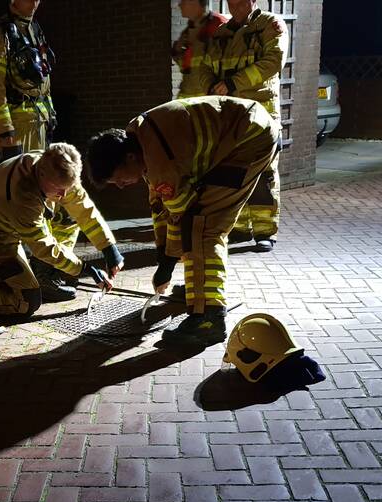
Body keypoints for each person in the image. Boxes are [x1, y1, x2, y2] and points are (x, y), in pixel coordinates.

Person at [86, 96, 279, 347]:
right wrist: (163, 256)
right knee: (194, 223)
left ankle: (209, 317)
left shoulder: (160, 161)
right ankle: (197, 290)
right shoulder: (141, 140)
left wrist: (166, 266)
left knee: (204, 227)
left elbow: (181, 215)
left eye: (118, 179)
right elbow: (161, 207)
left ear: (129, 158)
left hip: (249, 140)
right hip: (241, 131)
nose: (121, 186)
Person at [0, 143, 122, 315]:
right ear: (41, 174)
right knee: (26, 302)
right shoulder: (21, 195)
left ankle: (43, 277)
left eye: (67, 188)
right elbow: (43, 247)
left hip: (8, 223)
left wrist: (109, 249)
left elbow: (83, 209)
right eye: (58, 189)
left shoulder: (55, 168)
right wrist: (86, 268)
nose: (63, 195)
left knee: (68, 215)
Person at [207, 0, 288, 252]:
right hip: (230, 116)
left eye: (241, 2)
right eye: (232, 3)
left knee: (263, 173)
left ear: (253, 0)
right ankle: (240, 227)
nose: (236, 7)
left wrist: (234, 83)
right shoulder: (221, 34)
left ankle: (266, 232)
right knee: (231, 173)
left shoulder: (270, 25)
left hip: (262, 113)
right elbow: (208, 68)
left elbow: (274, 61)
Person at [0, 0, 56, 162]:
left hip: (41, 124)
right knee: (21, 183)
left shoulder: (35, 28)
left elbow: (44, 78)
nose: (35, 2)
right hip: (18, 127)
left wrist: (50, 115)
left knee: (40, 183)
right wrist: (5, 130)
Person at [172, 0, 226, 99]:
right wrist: (177, 50)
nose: (179, 5)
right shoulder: (189, 29)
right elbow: (187, 67)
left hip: (207, 97)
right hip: (188, 95)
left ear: (195, 3)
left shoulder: (217, 24)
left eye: (183, 2)